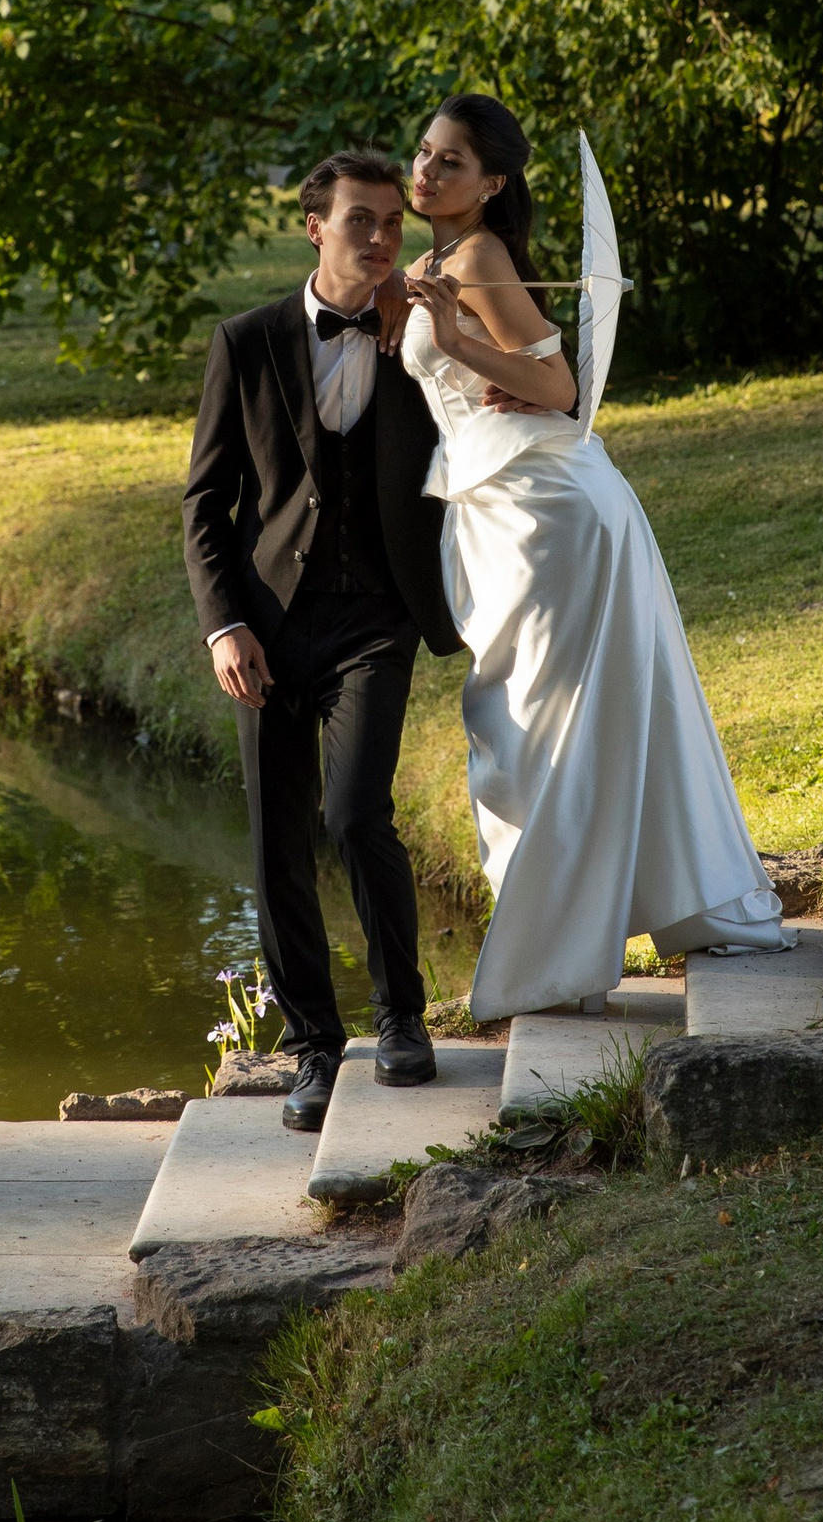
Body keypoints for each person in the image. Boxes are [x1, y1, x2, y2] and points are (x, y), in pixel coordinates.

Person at [399, 92, 782, 1021]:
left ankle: (560, 955)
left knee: (530, 727)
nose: (428, 171)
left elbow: (559, 387)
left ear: (492, 184)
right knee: (535, 721)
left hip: (547, 515)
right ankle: (578, 929)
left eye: (452, 162)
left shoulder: (480, 256)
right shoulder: (437, 257)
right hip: (495, 507)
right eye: (424, 152)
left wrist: (454, 338)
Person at [184, 147, 465, 1133]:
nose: (382, 239)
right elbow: (207, 502)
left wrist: (432, 334)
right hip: (266, 626)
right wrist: (224, 625)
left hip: (376, 619)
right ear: (314, 227)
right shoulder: (247, 342)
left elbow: (487, 430)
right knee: (276, 848)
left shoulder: (421, 335)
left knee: (355, 816)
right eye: (361, 221)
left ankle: (401, 1018)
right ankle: (312, 1049)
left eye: (393, 221)